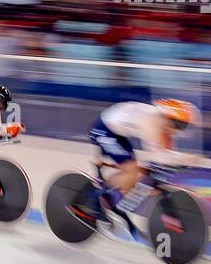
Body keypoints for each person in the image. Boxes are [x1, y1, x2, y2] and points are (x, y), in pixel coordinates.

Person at [83, 98, 200, 238]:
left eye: (183, 126)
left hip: (118, 131)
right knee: (131, 169)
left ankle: (114, 206)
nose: (178, 130)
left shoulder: (165, 126)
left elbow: (165, 159)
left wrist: (177, 162)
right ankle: (96, 198)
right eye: (178, 124)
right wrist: (185, 158)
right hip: (104, 130)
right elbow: (158, 156)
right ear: (166, 117)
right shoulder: (151, 122)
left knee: (133, 179)